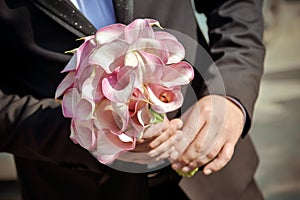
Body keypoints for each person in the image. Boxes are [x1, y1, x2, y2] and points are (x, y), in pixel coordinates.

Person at [0, 0, 266, 199]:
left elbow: (235, 5)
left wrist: (232, 93)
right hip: (75, 186)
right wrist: (88, 133)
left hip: (216, 178)